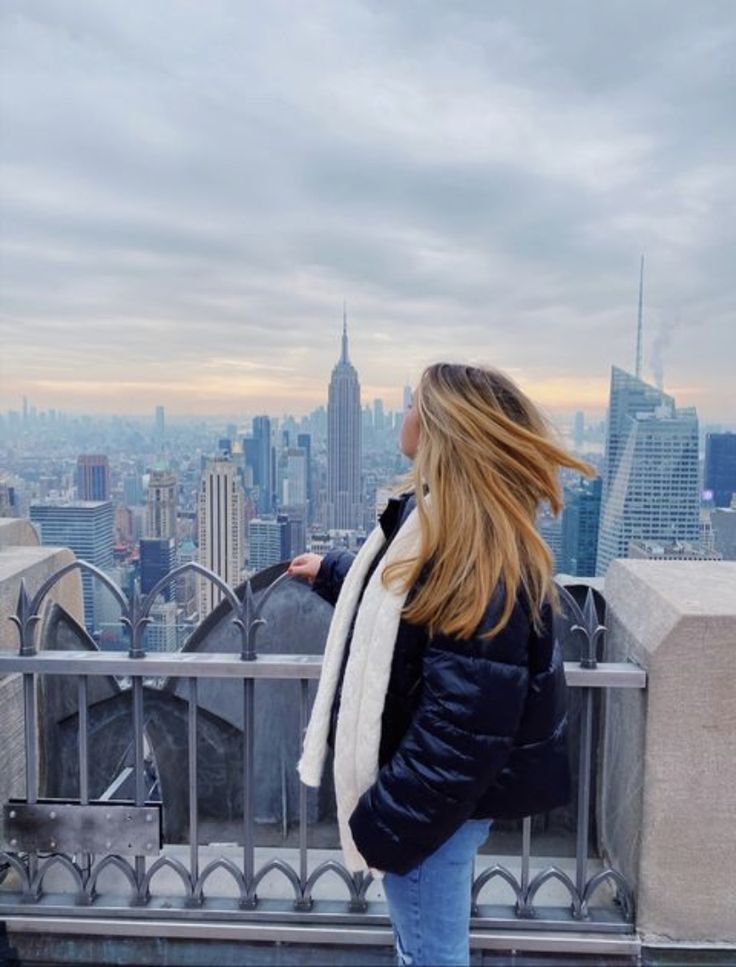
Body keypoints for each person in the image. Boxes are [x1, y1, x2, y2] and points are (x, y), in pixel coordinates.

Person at [288, 362, 597, 966]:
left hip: (431, 817)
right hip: (435, 812)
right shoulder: (444, 525)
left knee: (430, 956)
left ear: (439, 429)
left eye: (412, 404)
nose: (403, 413)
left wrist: (385, 821)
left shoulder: (471, 554)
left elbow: (460, 731)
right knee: (421, 946)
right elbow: (410, 605)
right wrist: (333, 573)